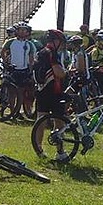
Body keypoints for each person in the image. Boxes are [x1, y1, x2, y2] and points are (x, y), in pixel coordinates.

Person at [33, 29, 68, 160]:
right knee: (59, 122)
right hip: (54, 91)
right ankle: (60, 153)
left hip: (41, 90)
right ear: (56, 41)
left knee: (40, 120)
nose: (62, 44)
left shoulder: (40, 52)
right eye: (60, 41)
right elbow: (58, 72)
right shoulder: (52, 53)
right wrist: (66, 73)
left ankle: (39, 149)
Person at [4, 21, 37, 117]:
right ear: (17, 31)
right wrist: (6, 62)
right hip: (13, 69)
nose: (22, 32)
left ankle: (17, 112)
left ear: (27, 32)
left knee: (21, 92)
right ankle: (12, 111)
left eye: (24, 30)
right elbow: (3, 51)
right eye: (20, 30)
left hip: (24, 70)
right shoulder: (10, 42)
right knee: (12, 93)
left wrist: (31, 70)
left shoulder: (29, 44)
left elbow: (31, 58)